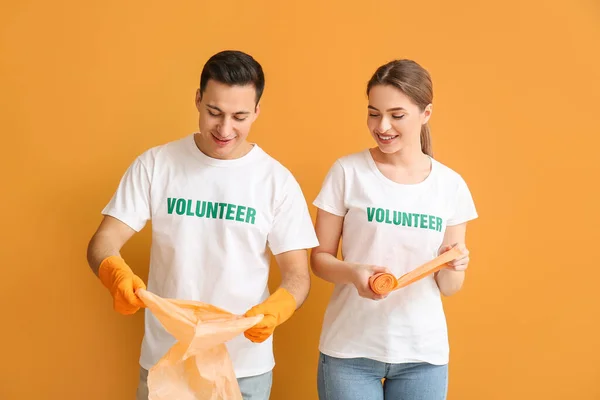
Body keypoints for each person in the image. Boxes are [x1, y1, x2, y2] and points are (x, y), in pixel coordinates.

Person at [86, 50, 319, 400]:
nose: (225, 129)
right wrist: (113, 272)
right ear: (198, 99)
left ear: (257, 110)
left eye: (240, 116)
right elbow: (103, 241)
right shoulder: (156, 164)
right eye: (214, 112)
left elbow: (298, 275)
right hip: (166, 362)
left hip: (244, 368)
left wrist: (278, 308)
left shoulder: (276, 181)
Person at [310, 59, 478, 400]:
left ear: (425, 113)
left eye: (396, 115)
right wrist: (353, 272)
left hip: (422, 356)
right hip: (350, 351)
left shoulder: (451, 186)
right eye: (373, 113)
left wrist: (453, 266)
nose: (382, 125)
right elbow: (319, 259)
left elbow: (449, 287)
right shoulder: (347, 171)